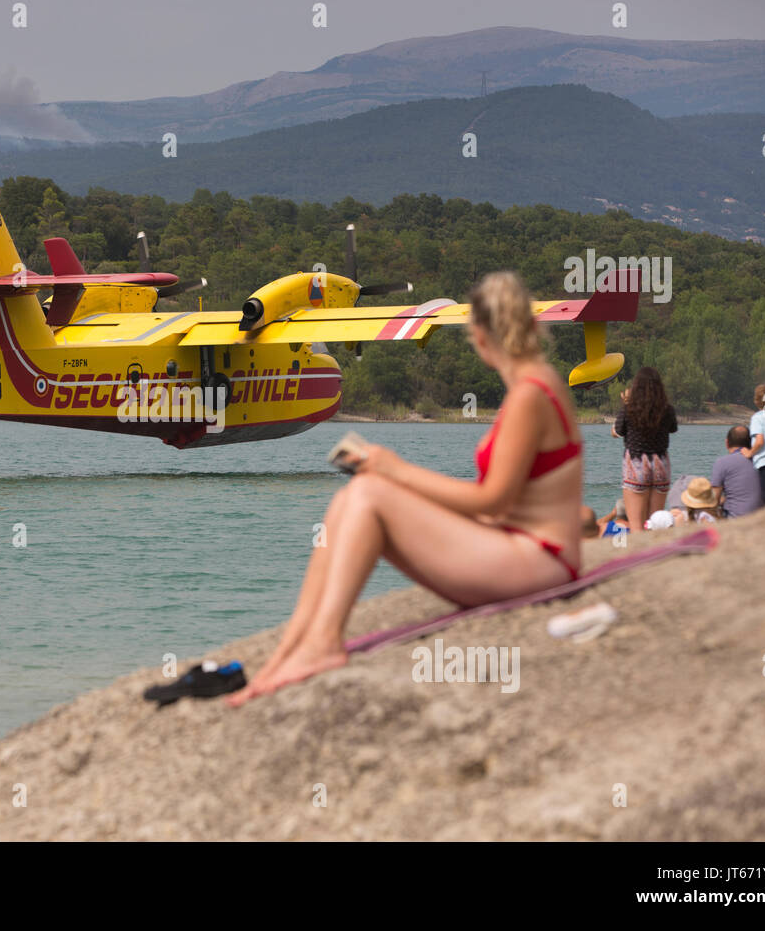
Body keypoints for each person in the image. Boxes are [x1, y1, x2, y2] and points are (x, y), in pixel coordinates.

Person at [230, 272, 583, 704]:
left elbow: (493, 500)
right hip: (516, 548)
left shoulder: (531, 394)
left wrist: (397, 471)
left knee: (369, 493)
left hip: (539, 561)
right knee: (351, 498)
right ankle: (294, 644)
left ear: (481, 336)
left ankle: (320, 643)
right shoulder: (538, 383)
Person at [614, 367, 678, 531]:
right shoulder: (667, 409)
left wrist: (626, 403)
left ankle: (640, 554)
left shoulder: (630, 409)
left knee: (636, 524)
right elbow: (673, 428)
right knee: (655, 522)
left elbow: (619, 430)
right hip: (660, 463)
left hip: (636, 463)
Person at [710, 426, 764, 518]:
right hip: (762, 518)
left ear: (727, 443)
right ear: (751, 443)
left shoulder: (722, 462)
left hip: (735, 519)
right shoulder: (763, 462)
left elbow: (714, 499)